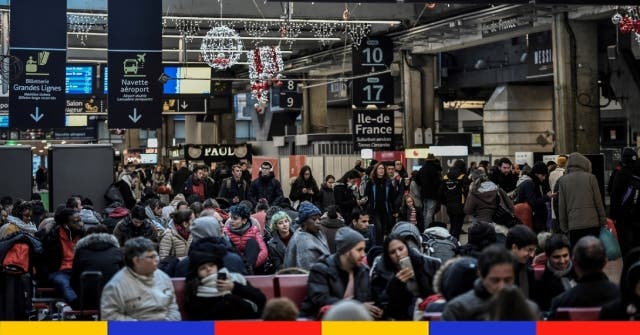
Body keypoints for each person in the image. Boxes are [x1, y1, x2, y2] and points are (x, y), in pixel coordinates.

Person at [300, 227, 382, 319]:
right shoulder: (321, 269)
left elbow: (369, 299)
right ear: (346, 251)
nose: (363, 254)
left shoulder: (363, 271)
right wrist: (358, 307)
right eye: (359, 250)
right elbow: (321, 300)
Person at [442, 245, 538, 320]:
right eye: (495, 280)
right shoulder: (458, 309)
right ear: (481, 275)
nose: (502, 286)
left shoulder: (530, 309)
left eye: (507, 280)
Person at [183, 239, 266, 320]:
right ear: (197, 273)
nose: (208, 269)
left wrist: (234, 287)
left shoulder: (233, 279)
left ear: (217, 266)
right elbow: (199, 320)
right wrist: (226, 302)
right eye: (203, 268)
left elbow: (260, 299)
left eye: (211, 265)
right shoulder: (195, 289)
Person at [101, 237, 181, 320]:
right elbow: (109, 316)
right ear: (136, 260)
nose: (156, 260)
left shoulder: (163, 277)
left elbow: (173, 308)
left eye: (156, 256)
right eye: (151, 257)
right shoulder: (116, 285)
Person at [370, 234, 441, 320]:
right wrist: (395, 285)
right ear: (388, 256)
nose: (398, 254)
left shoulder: (424, 263)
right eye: (392, 252)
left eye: (401, 249)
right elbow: (382, 302)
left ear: (407, 248)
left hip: (426, 310)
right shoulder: (381, 272)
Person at [548, 236, 620, 318]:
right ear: (605, 262)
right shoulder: (622, 295)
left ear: (574, 262)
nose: (562, 260)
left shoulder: (560, 302)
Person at [36, 208, 84, 309]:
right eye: (76, 222)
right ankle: (77, 306)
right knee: (63, 282)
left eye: (80, 220)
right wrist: (45, 276)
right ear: (65, 225)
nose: (81, 224)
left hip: (78, 270)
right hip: (59, 271)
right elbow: (43, 261)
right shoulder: (52, 238)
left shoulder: (83, 236)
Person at [557, 152, 606, 246]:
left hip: (574, 225)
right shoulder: (591, 178)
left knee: (578, 256)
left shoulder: (563, 180)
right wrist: (603, 221)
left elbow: (562, 206)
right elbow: (598, 202)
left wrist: (564, 227)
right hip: (592, 223)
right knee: (593, 254)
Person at [71, 224, 123, 310]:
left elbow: (74, 280)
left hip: (87, 300)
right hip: (114, 299)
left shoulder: (81, 252)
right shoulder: (117, 251)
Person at [532, 234, 578, 311]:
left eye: (565, 255)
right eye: (557, 257)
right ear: (547, 257)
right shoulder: (542, 282)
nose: (562, 261)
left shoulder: (580, 272)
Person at [283, 201, 330, 270]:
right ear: (304, 222)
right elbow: (308, 273)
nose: (318, 222)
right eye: (314, 219)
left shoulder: (317, 232)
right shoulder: (303, 242)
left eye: (319, 219)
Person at [224, 205, 268, 274]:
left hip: (252, 265)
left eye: (235, 219)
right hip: (235, 266)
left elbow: (264, 252)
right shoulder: (226, 232)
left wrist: (249, 266)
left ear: (244, 221)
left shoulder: (254, 230)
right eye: (231, 218)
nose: (231, 221)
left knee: (252, 242)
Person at [364, 162, 397, 244]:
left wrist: (395, 210)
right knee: (378, 228)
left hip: (386, 209)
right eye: (379, 168)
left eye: (382, 168)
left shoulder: (388, 182)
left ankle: (381, 245)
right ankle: (378, 245)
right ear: (376, 170)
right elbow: (366, 195)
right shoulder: (371, 182)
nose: (381, 170)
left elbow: (393, 197)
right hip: (374, 209)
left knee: (383, 229)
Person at [516, 162, 553, 233]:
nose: (544, 178)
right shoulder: (529, 183)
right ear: (536, 174)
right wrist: (547, 197)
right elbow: (533, 202)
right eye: (542, 175)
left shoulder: (534, 182)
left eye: (545, 175)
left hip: (534, 219)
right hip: (532, 220)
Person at [438, 159, 469, 239]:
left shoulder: (446, 176)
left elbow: (440, 192)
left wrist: (445, 202)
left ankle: (451, 243)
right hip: (460, 205)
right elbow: (466, 191)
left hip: (449, 205)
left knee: (452, 224)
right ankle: (454, 244)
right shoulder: (463, 177)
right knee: (457, 226)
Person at [505, 225, 537, 298]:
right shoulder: (499, 272)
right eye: (529, 250)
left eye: (533, 250)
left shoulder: (527, 269)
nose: (532, 255)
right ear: (514, 248)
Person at [418, 154, 442, 229]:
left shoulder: (422, 169)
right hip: (432, 194)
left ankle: (425, 228)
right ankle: (427, 229)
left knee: (425, 212)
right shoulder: (434, 169)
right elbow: (437, 183)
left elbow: (418, 181)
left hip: (423, 194)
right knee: (430, 213)